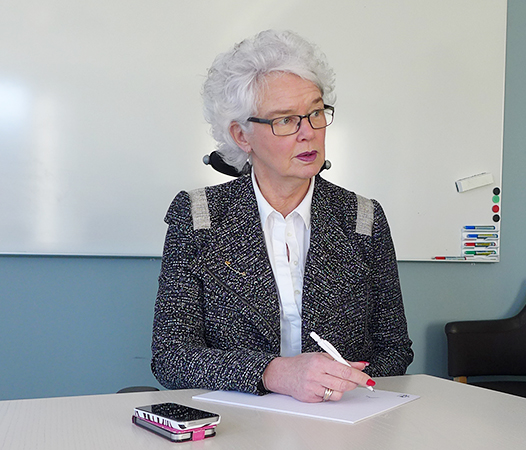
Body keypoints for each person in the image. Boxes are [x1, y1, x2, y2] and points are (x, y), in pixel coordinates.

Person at [151, 30, 413, 403]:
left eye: (316, 113)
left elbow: (394, 349)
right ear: (242, 136)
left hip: (341, 422)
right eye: (285, 120)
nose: (308, 133)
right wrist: (275, 373)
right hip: (240, 425)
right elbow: (171, 357)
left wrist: (341, 384)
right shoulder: (198, 218)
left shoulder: (363, 219)